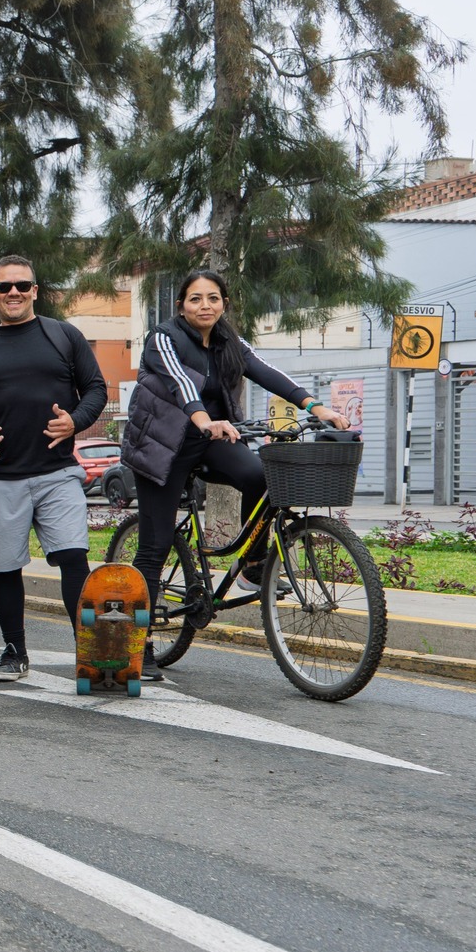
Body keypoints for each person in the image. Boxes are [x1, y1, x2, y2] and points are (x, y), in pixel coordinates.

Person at [122, 268, 350, 680]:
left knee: (263, 477)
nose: (204, 305)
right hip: (164, 445)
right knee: (154, 545)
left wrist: (317, 407)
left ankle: (253, 565)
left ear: (224, 303)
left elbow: (267, 372)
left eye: (213, 298)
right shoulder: (164, 338)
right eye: (195, 298)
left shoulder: (230, 341)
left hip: (212, 438)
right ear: (181, 305)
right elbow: (180, 385)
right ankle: (138, 645)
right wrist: (203, 419)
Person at [0, 255, 108, 683]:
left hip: (57, 473)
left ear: (35, 290)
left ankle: (88, 652)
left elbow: (95, 389)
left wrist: (76, 420)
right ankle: (14, 651)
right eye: (3, 287)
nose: (13, 292)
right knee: (6, 567)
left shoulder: (63, 336)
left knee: (74, 558)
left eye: (21, 285)